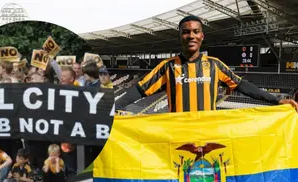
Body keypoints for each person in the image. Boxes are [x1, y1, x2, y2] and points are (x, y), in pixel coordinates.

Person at [115, 15, 298, 112]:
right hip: (177, 135)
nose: (191, 36)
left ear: (202, 36)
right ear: (180, 36)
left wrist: (277, 100)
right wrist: (115, 108)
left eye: (196, 32)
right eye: (186, 32)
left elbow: (243, 85)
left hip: (207, 135)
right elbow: (139, 89)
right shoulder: (167, 67)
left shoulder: (215, 65)